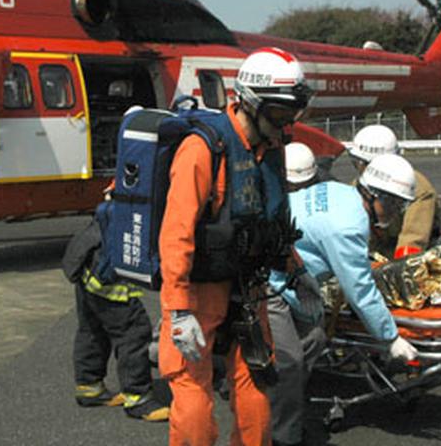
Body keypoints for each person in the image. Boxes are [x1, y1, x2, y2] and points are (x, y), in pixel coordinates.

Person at [157, 47, 322, 446]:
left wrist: (297, 271)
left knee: (257, 401)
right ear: (248, 103)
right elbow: (176, 235)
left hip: (249, 294)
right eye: (281, 114)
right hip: (197, 297)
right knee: (194, 410)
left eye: (293, 114)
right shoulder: (203, 150)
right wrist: (178, 310)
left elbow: (271, 224)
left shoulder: (272, 152)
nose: (288, 125)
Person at [268, 153, 420, 445]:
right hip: (270, 280)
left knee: (314, 339)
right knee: (290, 361)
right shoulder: (349, 227)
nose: (396, 212)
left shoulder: (340, 192)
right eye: (394, 204)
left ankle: (285, 409)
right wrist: (390, 338)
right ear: (375, 196)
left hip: (288, 273)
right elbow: (360, 291)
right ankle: (282, 436)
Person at [61, 216, 170, 422]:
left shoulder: (126, 183)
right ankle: (139, 399)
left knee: (93, 328)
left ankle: (89, 386)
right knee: (134, 331)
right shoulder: (158, 185)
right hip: (109, 265)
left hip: (90, 253)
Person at [348, 124, 441, 258]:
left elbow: (412, 243)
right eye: (356, 163)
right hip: (380, 253)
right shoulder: (360, 187)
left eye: (363, 164)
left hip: (421, 256)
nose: (360, 169)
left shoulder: (419, 190)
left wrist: (395, 272)